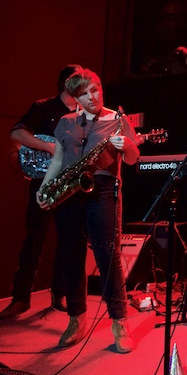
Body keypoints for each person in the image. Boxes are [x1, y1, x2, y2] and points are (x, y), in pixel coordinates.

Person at [37, 68, 140, 353]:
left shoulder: (117, 120)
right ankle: (76, 319)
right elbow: (58, 160)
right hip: (69, 192)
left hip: (104, 190)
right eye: (84, 93)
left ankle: (120, 321)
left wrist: (128, 144)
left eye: (95, 89)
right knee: (71, 256)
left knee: (108, 257)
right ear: (75, 98)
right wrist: (45, 189)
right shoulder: (67, 122)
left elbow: (132, 159)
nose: (92, 96)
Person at [0, 64, 81, 320]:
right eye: (78, 78)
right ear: (66, 82)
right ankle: (21, 298)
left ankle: (60, 294)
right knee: (34, 239)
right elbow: (17, 131)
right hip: (44, 181)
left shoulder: (85, 112)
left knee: (68, 241)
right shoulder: (44, 107)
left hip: (71, 183)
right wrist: (48, 146)